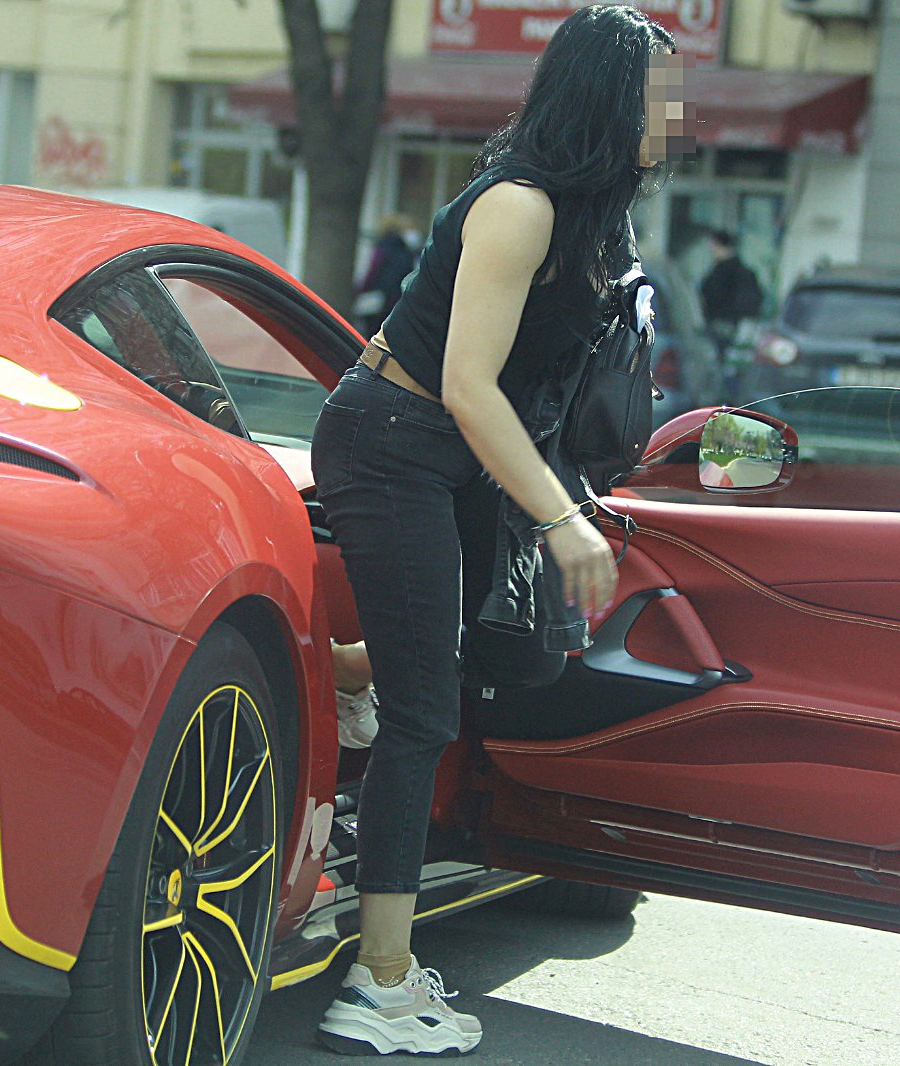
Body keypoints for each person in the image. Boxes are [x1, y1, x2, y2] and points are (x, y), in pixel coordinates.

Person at [309, 6, 680, 1056]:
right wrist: (559, 520)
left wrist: (572, 490)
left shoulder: (597, 225)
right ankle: (379, 982)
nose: (677, 118)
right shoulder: (519, 207)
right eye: (662, 98)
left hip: (458, 454)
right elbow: (469, 383)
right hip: (393, 439)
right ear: (609, 101)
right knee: (425, 713)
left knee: (484, 653)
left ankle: (337, 676)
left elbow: (541, 388)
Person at [698, 229, 763, 367]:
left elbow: (711, 295)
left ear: (717, 245)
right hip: (742, 328)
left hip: (721, 325)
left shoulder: (720, 273)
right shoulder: (746, 272)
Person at [352, 215, 420, 338]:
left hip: (378, 298)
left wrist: (361, 290)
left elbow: (372, 272)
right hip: (395, 301)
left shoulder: (383, 248)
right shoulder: (407, 252)